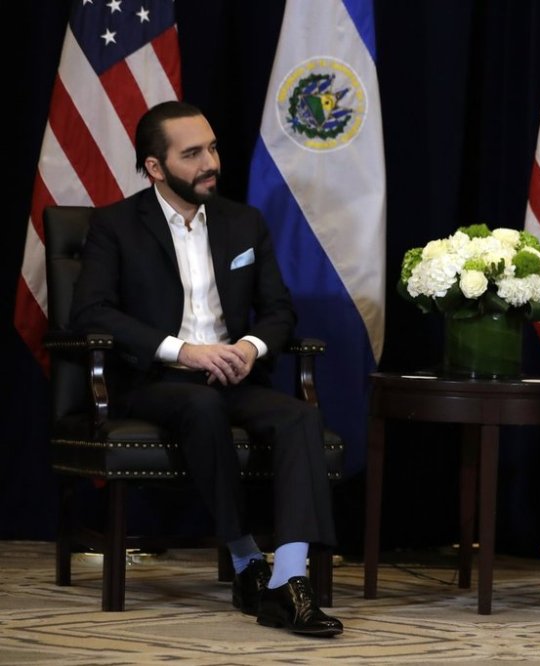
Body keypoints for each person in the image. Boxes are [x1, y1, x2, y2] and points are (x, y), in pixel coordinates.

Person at [70, 101, 342, 638]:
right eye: (192, 153)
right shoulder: (115, 225)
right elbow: (92, 312)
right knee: (199, 402)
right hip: (157, 382)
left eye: (212, 148)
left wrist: (250, 347)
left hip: (232, 374)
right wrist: (182, 351)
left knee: (299, 418)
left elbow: (278, 311)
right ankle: (245, 559)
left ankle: (287, 582)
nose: (209, 162)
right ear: (155, 166)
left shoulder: (244, 222)